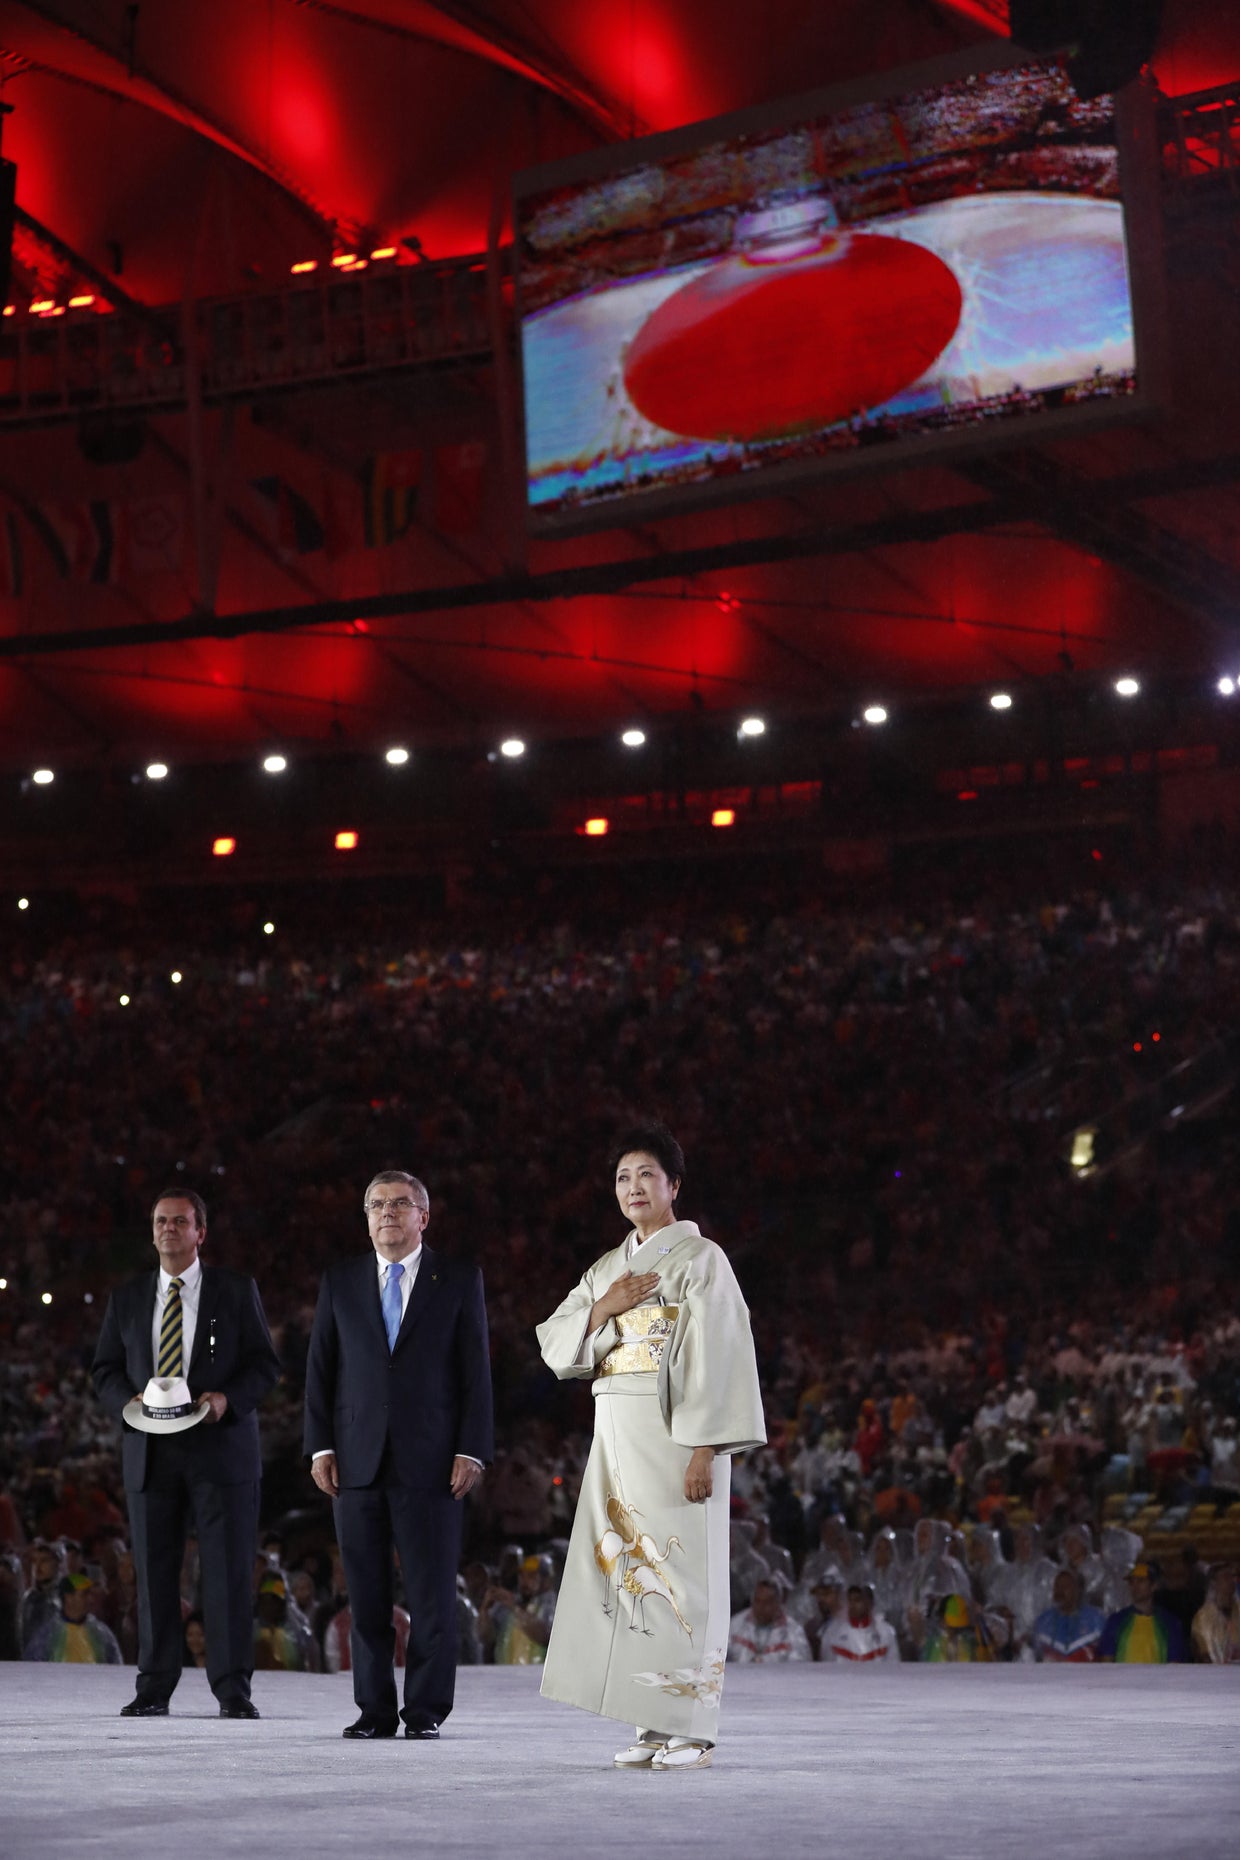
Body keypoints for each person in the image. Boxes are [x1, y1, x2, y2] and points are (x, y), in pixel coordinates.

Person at [536, 1121, 765, 1771]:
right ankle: (653, 1721)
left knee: (684, 1573)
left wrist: (706, 1449)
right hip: (615, 1430)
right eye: (621, 1177)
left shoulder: (700, 1260)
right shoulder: (609, 1267)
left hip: (674, 1429)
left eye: (645, 1175)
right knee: (632, 1574)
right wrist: (603, 1308)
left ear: (674, 1186)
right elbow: (557, 1343)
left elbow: (719, 1356)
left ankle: (691, 1722)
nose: (632, 1187)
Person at [304, 1169, 493, 1740]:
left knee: (433, 1598)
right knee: (366, 1598)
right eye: (378, 1205)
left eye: (401, 1204)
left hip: (434, 1463)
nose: (388, 1212)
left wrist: (472, 1450)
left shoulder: (458, 1278)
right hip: (356, 1462)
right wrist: (321, 1446)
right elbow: (321, 1371)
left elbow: (475, 1376)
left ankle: (426, 1711)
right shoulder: (340, 1281)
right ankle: (374, 1712)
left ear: (423, 1217)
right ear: (366, 1218)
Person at [92, 1188, 281, 1720]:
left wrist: (229, 1400)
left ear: (202, 1232)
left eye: (180, 1221)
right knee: (154, 1575)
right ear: (151, 1231)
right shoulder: (126, 1298)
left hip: (220, 1450)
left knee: (226, 1573)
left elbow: (264, 1365)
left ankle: (232, 1689)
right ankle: (154, 1687)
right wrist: (122, 1401)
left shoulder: (235, 1291)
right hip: (150, 1451)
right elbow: (103, 1369)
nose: (169, 1229)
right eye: (160, 1221)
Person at [1098, 1561, 1188, 1664]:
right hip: (1123, 1680)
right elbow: (1106, 1661)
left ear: (1154, 1586)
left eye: (1141, 1581)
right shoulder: (1116, 1621)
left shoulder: (1170, 1623)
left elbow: (1174, 1664)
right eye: (1132, 1582)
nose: (1135, 1587)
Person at [23, 1572, 122, 1664]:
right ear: (69, 1597)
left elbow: (116, 1666)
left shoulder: (101, 1633)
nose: (91, 1599)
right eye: (85, 1594)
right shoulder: (48, 1636)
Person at [478, 1553, 558, 1664]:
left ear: (547, 1580)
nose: (524, 1582)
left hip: (539, 1676)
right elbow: (485, 1637)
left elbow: (546, 1637)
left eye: (531, 1576)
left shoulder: (555, 1605)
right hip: (508, 1676)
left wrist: (515, 1608)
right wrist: (484, 1610)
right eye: (522, 1576)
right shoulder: (510, 1603)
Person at [728, 1577, 811, 1664]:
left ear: (778, 1603)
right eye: (757, 1601)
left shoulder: (794, 1631)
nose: (761, 1607)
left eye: (767, 1602)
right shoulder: (735, 1625)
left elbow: (800, 1667)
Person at [1031, 1568, 1107, 1662]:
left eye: (1065, 1586)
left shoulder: (1097, 1620)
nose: (1060, 1591)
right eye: (1057, 1586)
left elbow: (1107, 1659)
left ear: (1078, 1590)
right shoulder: (1042, 1622)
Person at [820, 1582, 899, 1663]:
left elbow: (894, 1669)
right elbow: (827, 1670)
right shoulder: (832, 1632)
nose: (852, 1605)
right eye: (850, 1600)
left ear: (869, 1603)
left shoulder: (886, 1632)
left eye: (857, 1600)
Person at [1191, 1563, 1240, 1664]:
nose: (1232, 1581)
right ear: (1214, 1583)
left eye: (1233, 1576)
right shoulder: (1203, 1617)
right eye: (1226, 1577)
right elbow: (1204, 1653)